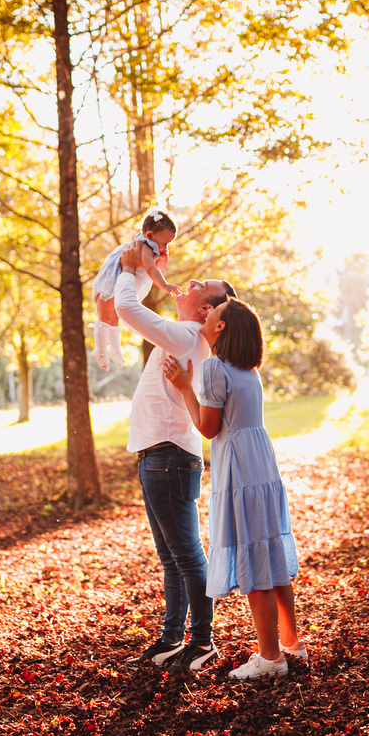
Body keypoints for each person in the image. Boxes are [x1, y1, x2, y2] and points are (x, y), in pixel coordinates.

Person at [164, 298, 305, 680]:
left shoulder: (214, 367)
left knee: (254, 559)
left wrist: (183, 388)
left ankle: (271, 659)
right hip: (261, 464)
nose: (206, 313)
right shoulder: (249, 371)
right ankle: (292, 644)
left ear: (221, 327)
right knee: (271, 555)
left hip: (239, 470)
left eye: (213, 312)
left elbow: (208, 428)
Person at [114, 239, 235, 672]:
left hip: (167, 457)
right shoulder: (186, 335)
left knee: (186, 556)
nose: (195, 280)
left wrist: (131, 270)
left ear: (207, 311)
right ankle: (171, 639)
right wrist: (149, 270)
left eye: (205, 285)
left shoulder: (186, 335)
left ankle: (201, 643)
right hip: (159, 455)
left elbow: (128, 310)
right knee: (173, 557)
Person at [90, 207, 182, 371]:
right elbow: (151, 270)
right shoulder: (144, 246)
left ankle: (115, 349)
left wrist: (163, 258)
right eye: (164, 243)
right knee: (105, 315)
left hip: (120, 280)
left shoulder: (152, 247)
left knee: (114, 316)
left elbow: (157, 266)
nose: (165, 247)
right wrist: (165, 285)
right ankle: (100, 350)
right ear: (150, 235)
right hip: (112, 280)